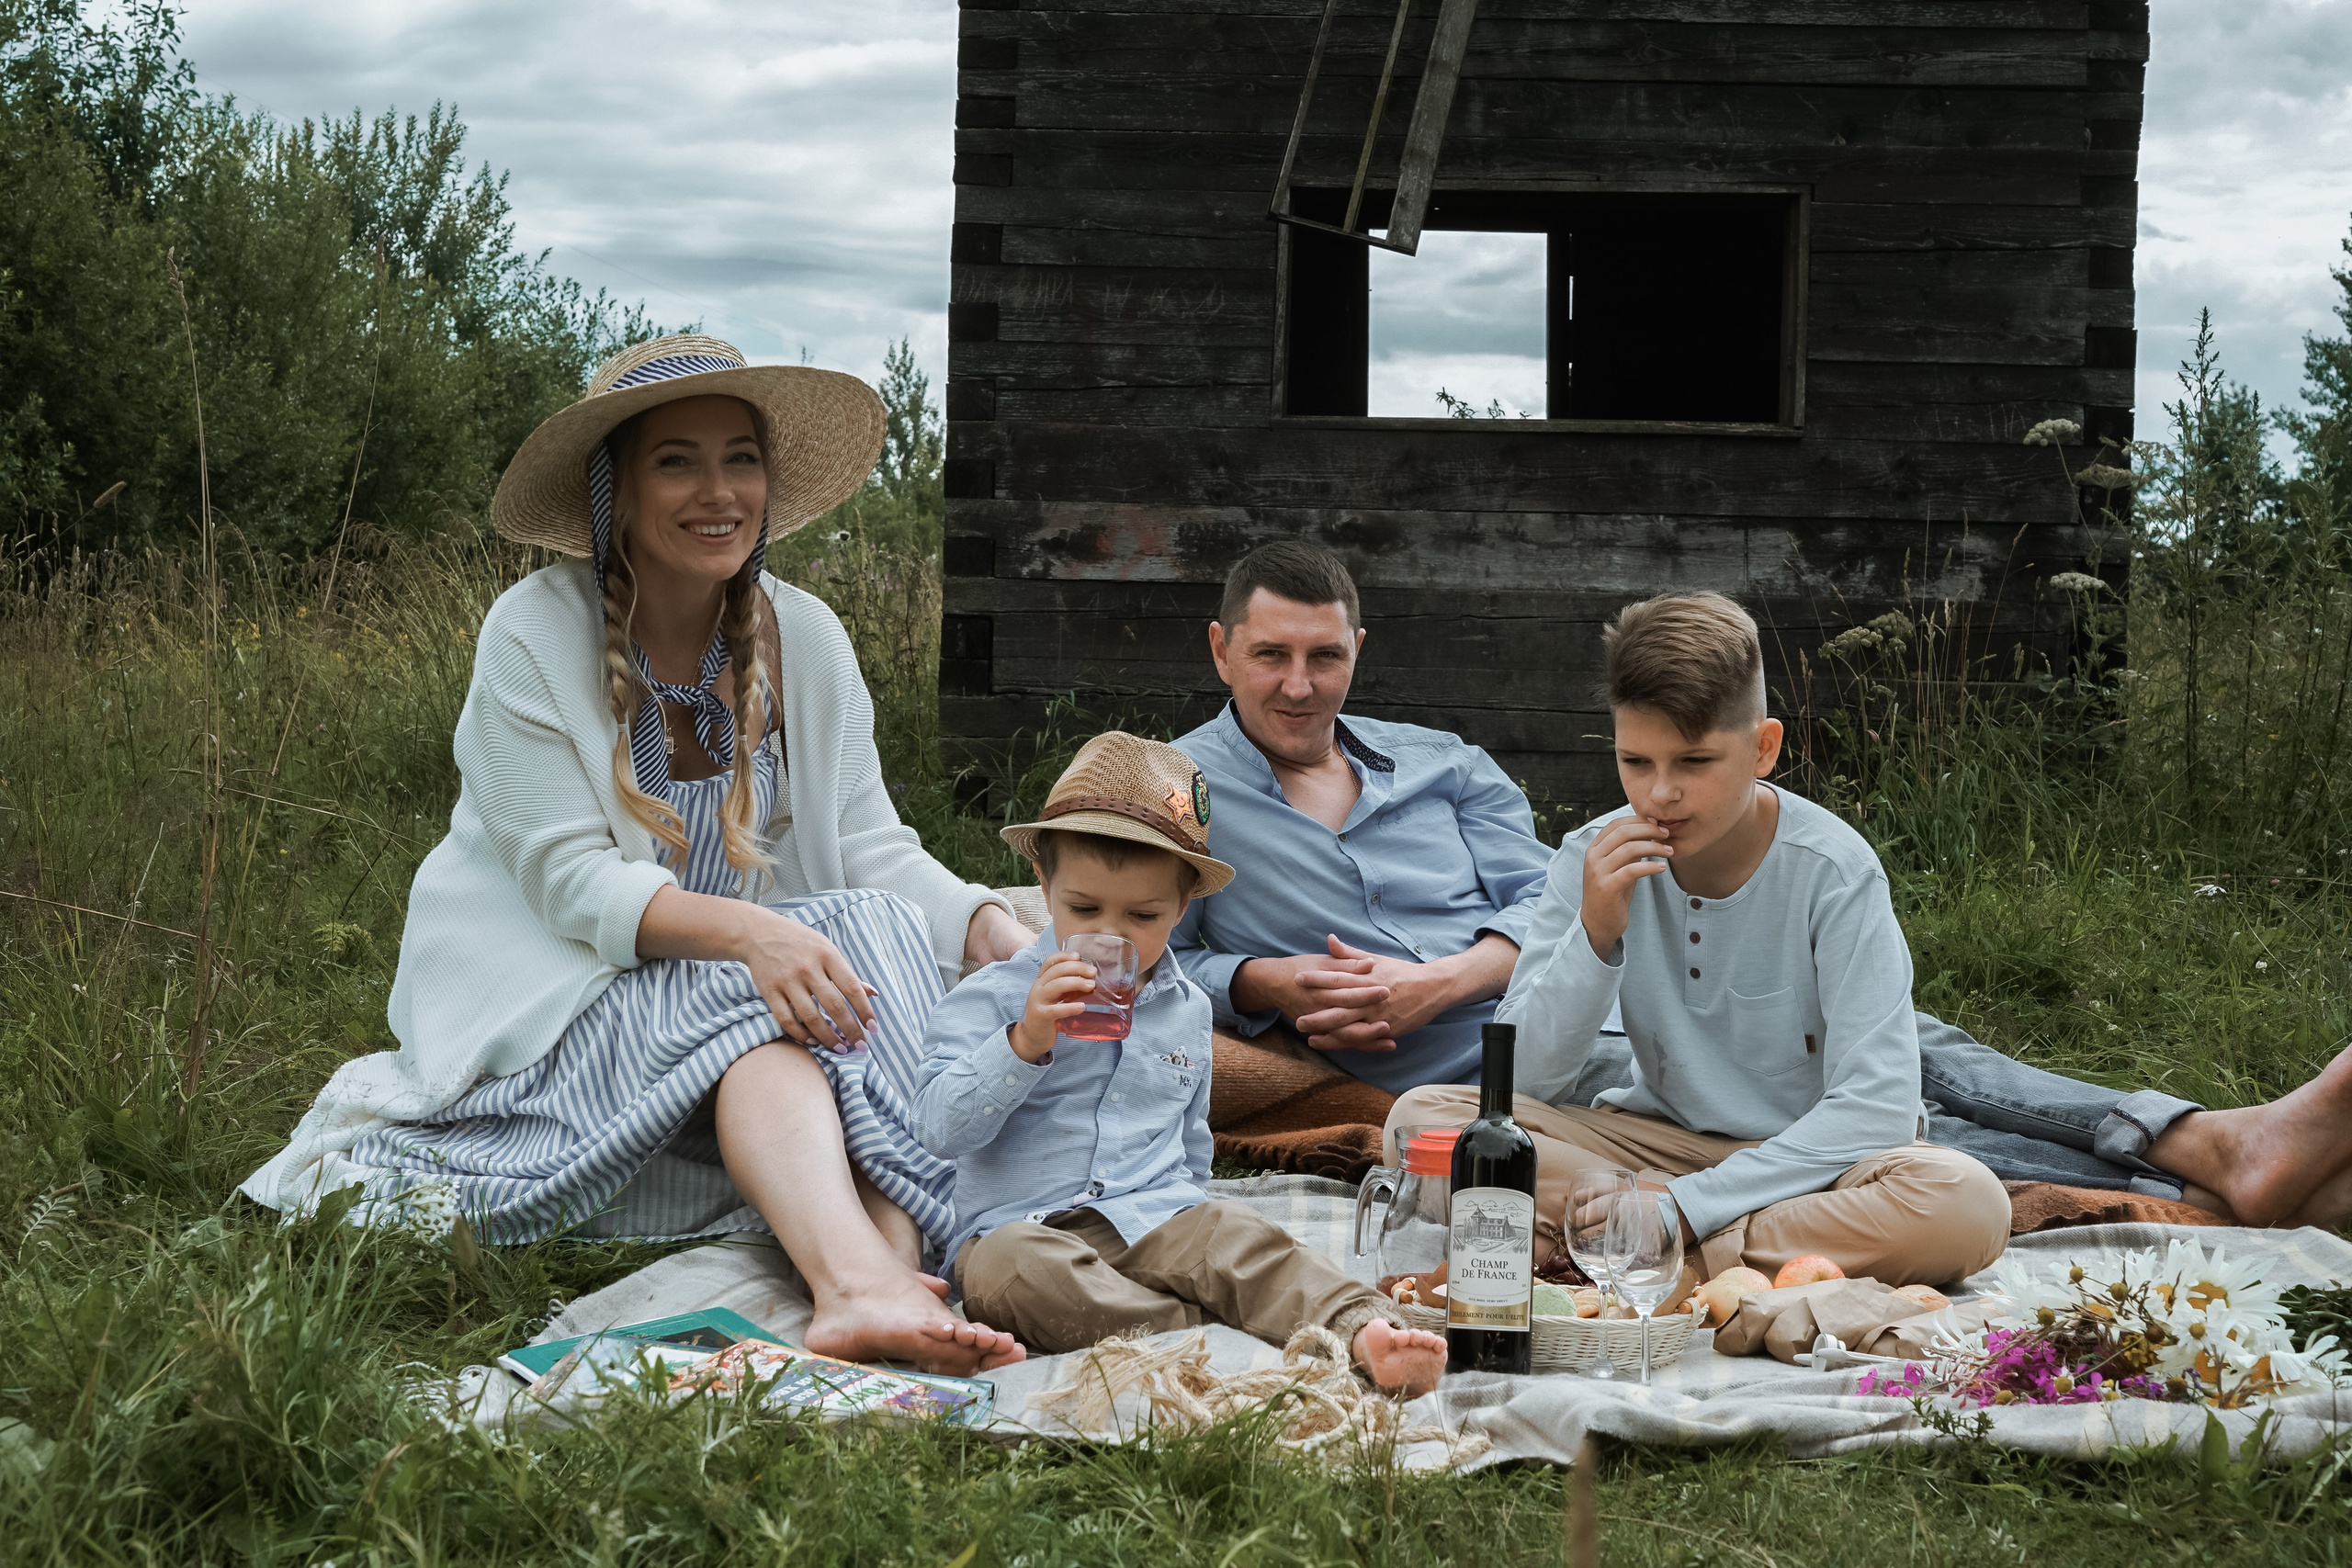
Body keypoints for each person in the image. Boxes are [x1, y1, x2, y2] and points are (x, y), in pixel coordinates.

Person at [241, 334, 1033, 1374]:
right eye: (677, 461)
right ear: (616, 485)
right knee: (786, 973)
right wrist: (755, 936)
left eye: (740, 458)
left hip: (742, 1016)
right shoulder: (531, 635)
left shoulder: (807, 639)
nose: (719, 491)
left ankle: (891, 1261)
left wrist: (988, 925)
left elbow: (873, 847)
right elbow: (572, 883)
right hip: (569, 1014)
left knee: (857, 944)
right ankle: (858, 1277)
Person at [1181, 540, 2352, 1227]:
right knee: (1452, 1134)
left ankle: (2205, 1153)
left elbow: (1517, 910)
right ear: (1222, 648)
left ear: (1356, 651)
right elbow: (1140, 949)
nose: (1298, 683)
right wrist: (1263, 980)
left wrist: (1448, 978)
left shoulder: (1451, 767)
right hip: (1558, 1075)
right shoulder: (1175, 792)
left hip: (1565, 1025)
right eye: (1271, 655)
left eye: (1322, 653)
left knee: (1895, 1069)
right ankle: (2202, 1165)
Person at [1394, 592, 2012, 1284]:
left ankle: (1645, 1245)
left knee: (1969, 1203)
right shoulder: (1589, 857)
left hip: (1811, 1165)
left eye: (1693, 762)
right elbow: (1523, 1087)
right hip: (1649, 1148)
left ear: (1764, 748)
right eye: (1636, 761)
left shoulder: (1836, 872)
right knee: (1422, 1125)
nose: (1659, 794)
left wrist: (1688, 1207)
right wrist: (1596, 935)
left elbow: (1879, 1106)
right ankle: (1686, 1247)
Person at [911, 732, 1450, 1394]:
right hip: (1029, 1227)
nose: (1112, 932)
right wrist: (1024, 1040)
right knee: (1008, 1275)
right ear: (1044, 884)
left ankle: (1361, 1327)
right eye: (1084, 908)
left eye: (1143, 914)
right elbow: (937, 1128)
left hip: (1154, 1218)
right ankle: (1203, 1331)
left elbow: (1190, 1144)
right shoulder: (991, 997)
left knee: (1238, 1234)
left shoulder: (1188, 1009)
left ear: (1185, 902)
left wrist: (1197, 1222)